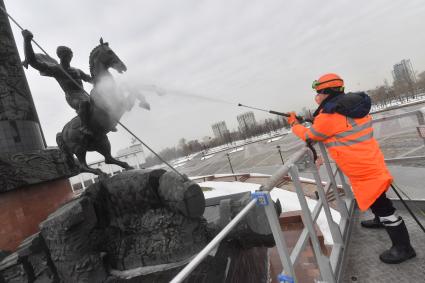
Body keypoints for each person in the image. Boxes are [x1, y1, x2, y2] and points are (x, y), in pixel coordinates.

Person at [287, 73, 416, 264]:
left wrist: (294, 124)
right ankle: (380, 220)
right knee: (377, 197)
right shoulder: (352, 106)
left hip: (362, 169)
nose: (317, 96)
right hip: (371, 162)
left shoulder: (329, 116)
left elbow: (310, 136)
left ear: (327, 92)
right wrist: (315, 120)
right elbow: (339, 126)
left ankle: (404, 248)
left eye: (318, 92)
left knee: (384, 206)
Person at [22, 29, 94, 136]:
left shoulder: (77, 70)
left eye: (70, 55)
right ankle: (84, 127)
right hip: (72, 96)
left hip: (84, 94)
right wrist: (27, 41)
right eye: (66, 55)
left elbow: (90, 79)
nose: (68, 58)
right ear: (61, 56)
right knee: (84, 103)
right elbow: (34, 62)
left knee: (100, 102)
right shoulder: (56, 69)